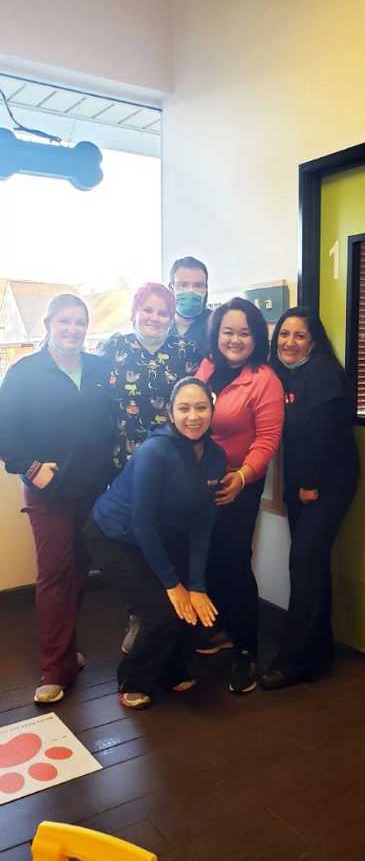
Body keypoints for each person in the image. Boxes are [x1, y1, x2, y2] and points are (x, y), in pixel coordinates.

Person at [83, 378, 227, 709]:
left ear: (212, 410)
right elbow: (141, 523)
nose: (193, 416)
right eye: (184, 408)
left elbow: (204, 524)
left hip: (158, 536)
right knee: (163, 610)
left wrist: (196, 584)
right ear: (171, 413)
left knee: (192, 605)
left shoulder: (216, 457)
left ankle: (170, 669)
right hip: (114, 535)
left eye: (201, 407)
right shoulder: (154, 452)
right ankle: (131, 678)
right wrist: (173, 583)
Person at [0, 294, 114, 704]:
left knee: (80, 568)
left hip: (92, 489)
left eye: (79, 322)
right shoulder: (25, 372)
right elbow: (5, 432)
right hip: (48, 492)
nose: (72, 329)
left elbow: (111, 423)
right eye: (64, 321)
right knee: (53, 572)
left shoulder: (101, 369)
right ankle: (55, 667)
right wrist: (30, 468)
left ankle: (66, 649)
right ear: (48, 324)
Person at [259, 307, 360, 690]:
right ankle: (319, 652)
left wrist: (310, 484)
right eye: (284, 334)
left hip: (325, 483)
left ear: (313, 341)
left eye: (299, 335)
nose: (289, 341)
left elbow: (326, 434)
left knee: (304, 564)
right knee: (310, 565)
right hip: (303, 483)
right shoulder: (283, 373)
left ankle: (296, 661)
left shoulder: (321, 373)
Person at [197, 297, 284, 694]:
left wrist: (243, 477)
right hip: (201, 483)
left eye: (244, 332)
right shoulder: (208, 368)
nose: (235, 339)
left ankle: (247, 651)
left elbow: (267, 440)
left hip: (239, 485)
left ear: (256, 338)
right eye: (227, 331)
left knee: (233, 563)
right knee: (208, 559)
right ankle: (222, 632)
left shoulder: (264, 379)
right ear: (216, 334)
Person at [101, 281, 199, 474]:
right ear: (134, 312)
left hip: (173, 457)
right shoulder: (115, 346)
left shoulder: (185, 349)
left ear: (171, 319)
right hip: (123, 457)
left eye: (163, 313)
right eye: (147, 310)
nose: (154, 318)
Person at [169, 256, 212, 360]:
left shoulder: (217, 324)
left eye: (198, 286)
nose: (191, 291)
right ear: (171, 288)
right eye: (183, 285)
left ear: (206, 289)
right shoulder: (159, 324)